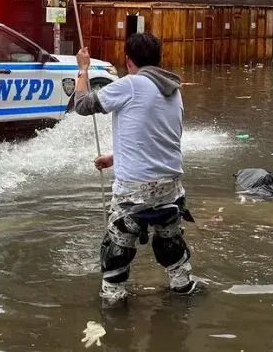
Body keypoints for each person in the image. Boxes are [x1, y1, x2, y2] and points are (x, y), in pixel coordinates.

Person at [73, 32, 197, 304]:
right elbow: (156, 137)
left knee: (116, 248)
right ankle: (182, 289)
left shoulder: (130, 84)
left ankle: (114, 307)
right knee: (170, 244)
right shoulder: (173, 89)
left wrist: (82, 68)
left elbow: (81, 105)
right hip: (171, 189)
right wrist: (115, 157)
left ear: (128, 60)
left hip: (134, 191)